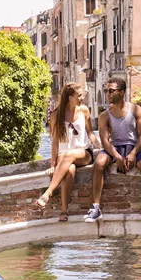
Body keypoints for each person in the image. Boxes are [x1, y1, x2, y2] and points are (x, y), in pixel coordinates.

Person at [85, 77, 141, 231]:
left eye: (111, 91)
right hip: (113, 148)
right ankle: (95, 208)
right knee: (99, 163)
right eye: (107, 91)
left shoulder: (136, 110)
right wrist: (118, 157)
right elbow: (105, 141)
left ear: (122, 92)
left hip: (133, 147)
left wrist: (133, 154)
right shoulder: (104, 116)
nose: (108, 94)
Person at [35, 83, 98, 222]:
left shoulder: (84, 111)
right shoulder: (57, 114)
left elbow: (90, 133)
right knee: (69, 170)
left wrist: (98, 143)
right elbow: (55, 141)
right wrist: (53, 164)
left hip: (84, 153)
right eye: (79, 95)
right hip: (64, 157)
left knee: (69, 155)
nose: (82, 98)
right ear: (70, 97)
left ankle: (48, 192)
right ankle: (64, 211)